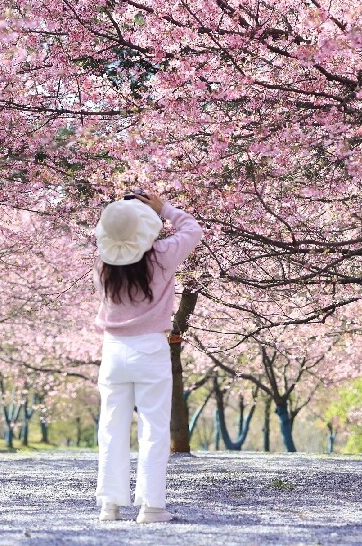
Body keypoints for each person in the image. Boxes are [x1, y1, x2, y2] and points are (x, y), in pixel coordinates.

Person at [92, 191, 203, 523]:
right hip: (150, 348)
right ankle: (152, 507)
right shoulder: (161, 256)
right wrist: (164, 208)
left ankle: (110, 505)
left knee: (111, 427)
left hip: (113, 350)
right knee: (153, 427)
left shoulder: (102, 264)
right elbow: (192, 230)